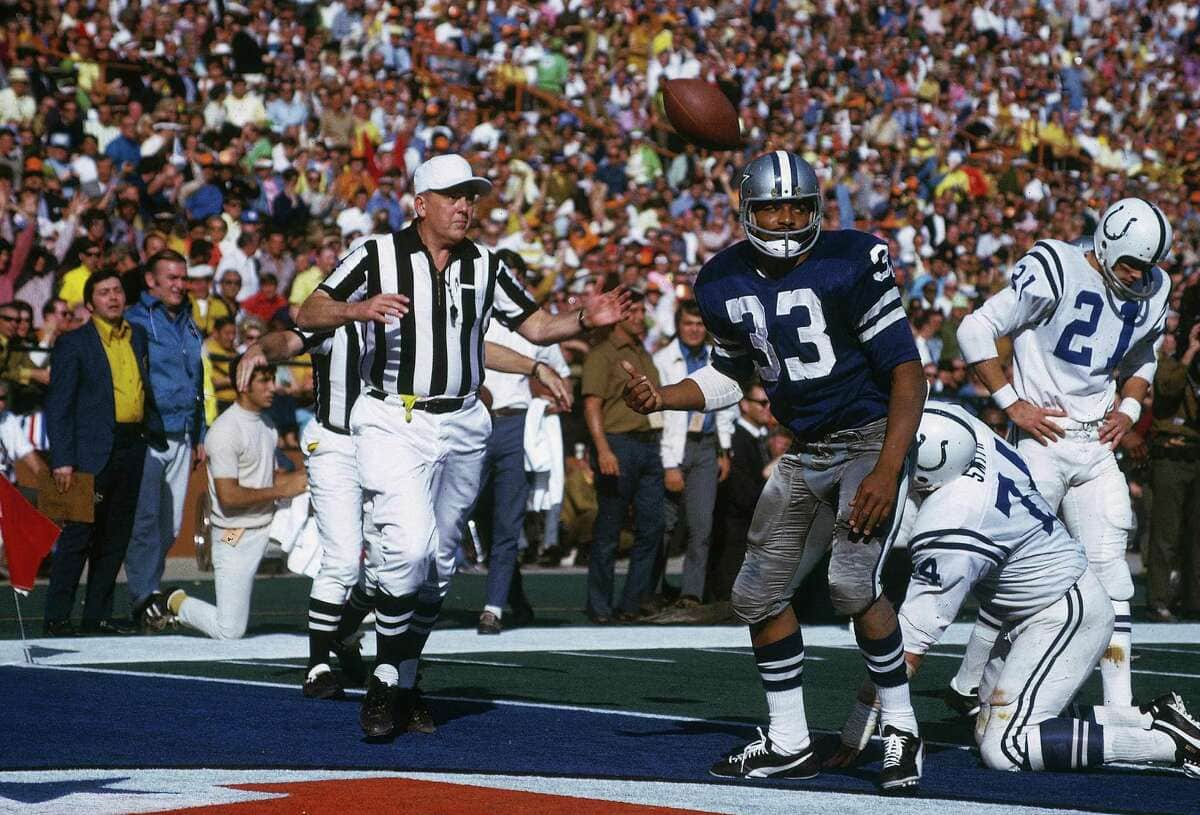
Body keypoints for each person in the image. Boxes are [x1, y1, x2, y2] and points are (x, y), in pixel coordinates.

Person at [621, 151, 926, 792]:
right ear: (747, 211)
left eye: (797, 207)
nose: (786, 220)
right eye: (772, 208)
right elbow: (732, 375)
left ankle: (902, 728)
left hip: (870, 438)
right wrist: (664, 396)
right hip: (808, 446)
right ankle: (788, 741)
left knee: (850, 584)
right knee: (754, 596)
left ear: (817, 210)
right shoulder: (721, 278)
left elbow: (907, 371)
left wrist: (888, 466)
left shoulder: (852, 259)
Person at [295, 153, 628, 738]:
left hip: (466, 420)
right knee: (410, 551)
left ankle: (404, 674)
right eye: (453, 195)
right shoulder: (376, 254)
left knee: (442, 567)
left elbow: (536, 326)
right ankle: (382, 679)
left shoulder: (486, 263)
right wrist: (357, 308)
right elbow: (310, 309)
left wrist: (584, 317)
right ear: (420, 204)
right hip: (393, 417)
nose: (465, 206)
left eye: (472, 195)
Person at [831, 404, 1200, 779]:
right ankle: (1147, 718)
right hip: (1039, 604)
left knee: (1005, 746)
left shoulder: (949, 524)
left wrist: (859, 720)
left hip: (1063, 611)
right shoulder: (966, 430)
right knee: (986, 724)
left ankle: (1171, 745)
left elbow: (908, 646)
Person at [237, 323, 570, 711]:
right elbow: (290, 338)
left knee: (391, 564)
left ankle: (346, 635)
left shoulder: (406, 309)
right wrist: (261, 346)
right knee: (344, 560)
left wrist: (528, 367)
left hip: (393, 441)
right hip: (338, 443)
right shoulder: (338, 313)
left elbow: (467, 347)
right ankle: (317, 666)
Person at [954, 198, 1173, 707]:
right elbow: (974, 328)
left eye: (1148, 268)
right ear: (1106, 242)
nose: (1139, 278)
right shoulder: (1057, 266)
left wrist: (1131, 409)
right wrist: (1013, 404)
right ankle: (969, 681)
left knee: (1112, 572)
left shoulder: (1153, 291)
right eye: (1131, 265)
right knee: (1014, 564)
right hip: (1043, 441)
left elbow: (1145, 356)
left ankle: (1118, 706)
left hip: (1096, 444)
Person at [166, 362, 307, 639]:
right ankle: (176, 601)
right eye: (264, 381)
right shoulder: (224, 431)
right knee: (229, 631)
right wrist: (282, 490)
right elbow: (229, 497)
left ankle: (352, 608)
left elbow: (267, 480)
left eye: (272, 379)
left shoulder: (267, 424)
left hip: (272, 524)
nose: (273, 388)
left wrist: (304, 479)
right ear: (243, 385)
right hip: (234, 533)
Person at [42, 269, 146, 636]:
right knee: (77, 536)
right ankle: (56, 617)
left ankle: (97, 615)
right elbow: (59, 406)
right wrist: (63, 460)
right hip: (87, 452)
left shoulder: (138, 337)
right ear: (89, 304)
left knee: (115, 536)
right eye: (104, 292)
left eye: (117, 290)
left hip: (131, 446)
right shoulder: (74, 343)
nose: (113, 297)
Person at [123, 250, 207, 632]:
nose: (178, 284)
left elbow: (197, 381)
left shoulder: (189, 322)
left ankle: (150, 590)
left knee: (169, 526)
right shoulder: (135, 321)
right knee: (144, 520)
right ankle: (143, 598)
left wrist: (199, 433)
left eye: (182, 277)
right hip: (149, 435)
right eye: (170, 277)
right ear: (151, 281)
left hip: (183, 434)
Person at [581, 289, 665, 623]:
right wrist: (602, 449)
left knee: (652, 527)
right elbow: (592, 404)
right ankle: (599, 606)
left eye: (643, 311)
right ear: (620, 315)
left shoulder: (643, 352)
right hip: (618, 443)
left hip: (648, 444)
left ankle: (631, 603)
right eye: (634, 311)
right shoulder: (602, 354)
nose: (640, 317)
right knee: (609, 530)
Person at [653, 300, 736, 607]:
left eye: (699, 324)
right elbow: (658, 415)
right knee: (664, 526)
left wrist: (724, 449)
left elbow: (727, 402)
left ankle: (691, 594)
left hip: (706, 445)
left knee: (701, 526)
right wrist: (668, 464)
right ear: (678, 325)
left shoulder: (717, 358)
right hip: (674, 445)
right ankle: (654, 590)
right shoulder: (664, 359)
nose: (694, 330)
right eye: (688, 323)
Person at [1145, 323, 1200, 621]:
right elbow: (1167, 390)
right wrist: (1190, 352)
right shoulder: (1165, 364)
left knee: (1196, 534)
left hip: (1196, 455)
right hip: (1171, 456)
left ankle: (1194, 599)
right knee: (1166, 533)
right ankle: (1159, 599)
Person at [707, 382, 772, 603]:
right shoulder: (738, 439)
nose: (768, 407)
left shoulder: (761, 436)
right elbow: (743, 495)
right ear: (744, 405)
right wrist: (768, 475)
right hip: (737, 533)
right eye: (762, 402)